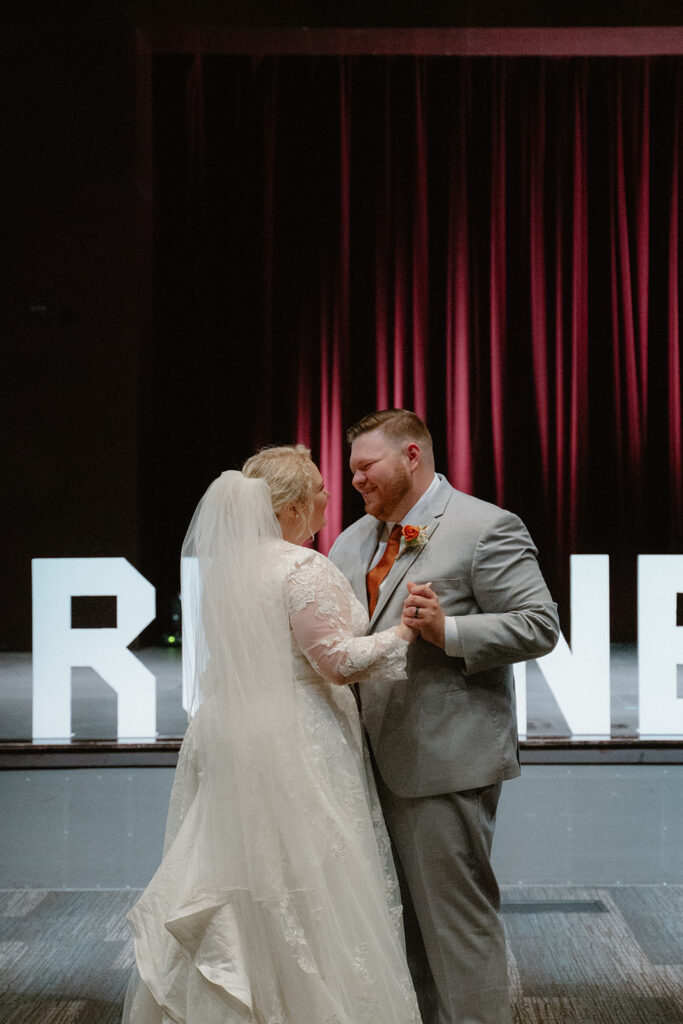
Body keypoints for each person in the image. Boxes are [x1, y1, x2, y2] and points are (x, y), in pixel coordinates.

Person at [123, 445, 422, 1024]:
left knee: (244, 873)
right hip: (299, 735)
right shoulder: (300, 566)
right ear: (286, 508)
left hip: (234, 734)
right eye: (316, 488)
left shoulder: (227, 573)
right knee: (312, 876)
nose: (328, 496)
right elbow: (335, 661)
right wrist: (405, 634)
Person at [329, 410, 560, 1024]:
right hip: (362, 766)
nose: (354, 479)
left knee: (457, 933)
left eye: (364, 466)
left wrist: (448, 629)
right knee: (395, 937)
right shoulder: (350, 541)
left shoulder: (485, 527)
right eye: (350, 468)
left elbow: (540, 625)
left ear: (411, 456)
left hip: (443, 763)